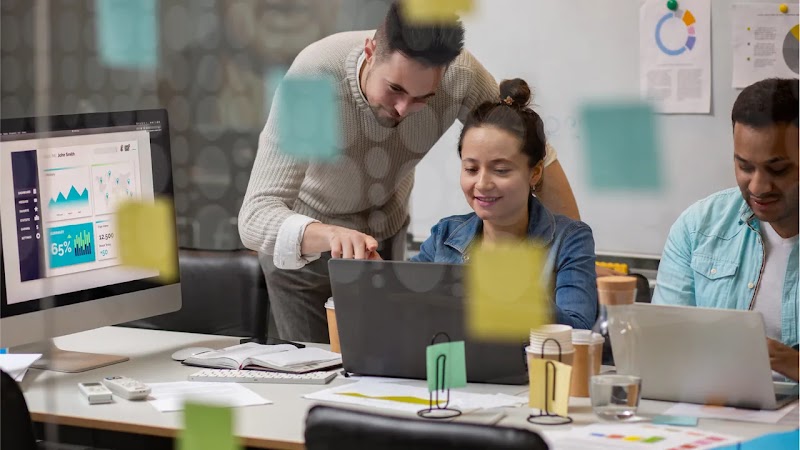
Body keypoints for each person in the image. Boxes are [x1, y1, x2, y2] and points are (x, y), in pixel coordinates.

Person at [238, 2, 580, 342]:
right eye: (395, 90)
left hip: (385, 243)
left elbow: (533, 158)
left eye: (423, 98)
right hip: (305, 254)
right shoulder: (315, 79)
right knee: (313, 367)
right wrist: (331, 235)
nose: (403, 109)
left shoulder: (461, 77)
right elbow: (255, 217)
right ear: (370, 51)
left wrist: (572, 257)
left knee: (387, 367)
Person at [408, 78, 598, 330]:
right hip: (454, 366)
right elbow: (404, 302)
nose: (482, 183)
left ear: (535, 173)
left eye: (500, 170)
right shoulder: (444, 235)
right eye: (471, 169)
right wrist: (372, 272)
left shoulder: (570, 239)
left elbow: (579, 331)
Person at [653, 78, 799, 381]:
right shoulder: (698, 229)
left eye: (778, 169)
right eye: (745, 166)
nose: (759, 187)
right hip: (715, 412)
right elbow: (663, 350)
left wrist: (793, 364)